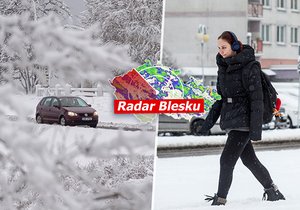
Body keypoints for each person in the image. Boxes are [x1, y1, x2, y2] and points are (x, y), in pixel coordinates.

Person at [200, 31, 285, 205]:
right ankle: (272, 191)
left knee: (226, 160)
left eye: (224, 47)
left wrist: (255, 130)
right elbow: (220, 98)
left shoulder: (249, 67)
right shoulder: (223, 67)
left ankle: (220, 199)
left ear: (235, 46)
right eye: (219, 48)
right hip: (232, 119)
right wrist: (207, 123)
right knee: (249, 160)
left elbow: (257, 99)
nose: (221, 51)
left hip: (244, 121)